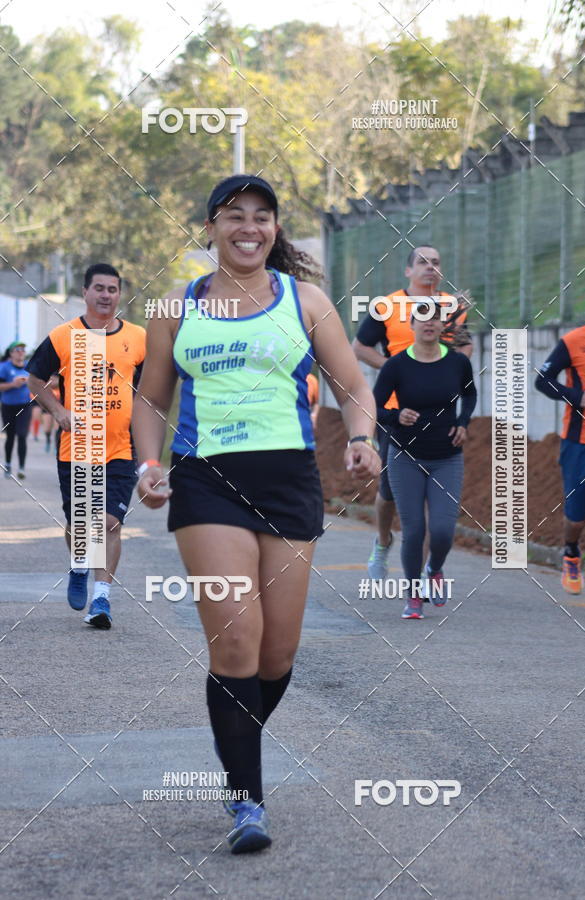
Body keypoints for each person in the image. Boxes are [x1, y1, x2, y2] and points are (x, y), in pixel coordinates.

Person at [132, 174, 380, 854]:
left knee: (277, 652)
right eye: (234, 215)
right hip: (207, 483)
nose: (249, 227)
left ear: (274, 228)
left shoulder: (306, 301)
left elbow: (354, 388)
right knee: (236, 642)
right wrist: (149, 464)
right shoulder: (175, 307)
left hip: (289, 481)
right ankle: (247, 798)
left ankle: (236, 740)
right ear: (210, 227)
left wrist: (361, 438)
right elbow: (151, 399)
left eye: (262, 216)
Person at [28, 263, 146, 627]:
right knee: (80, 523)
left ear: (119, 294)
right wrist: (58, 410)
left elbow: (150, 390)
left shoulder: (138, 338)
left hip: (121, 448)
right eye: (99, 288)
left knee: (109, 523)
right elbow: (34, 379)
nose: (106, 295)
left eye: (112, 289)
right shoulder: (63, 336)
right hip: (77, 448)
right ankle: (79, 564)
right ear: (85, 292)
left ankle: (101, 599)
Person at [352, 246, 472, 580]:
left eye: (436, 262)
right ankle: (382, 541)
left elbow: (464, 346)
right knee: (389, 491)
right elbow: (359, 347)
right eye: (422, 262)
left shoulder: (451, 306)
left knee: (432, 503)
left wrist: (450, 369)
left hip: (440, 413)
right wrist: (397, 369)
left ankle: (420, 577)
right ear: (408, 271)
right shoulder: (387, 305)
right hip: (395, 410)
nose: (430, 267)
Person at [373, 299, 477, 619]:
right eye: (422, 317)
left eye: (435, 318)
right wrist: (395, 416)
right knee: (414, 530)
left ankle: (434, 568)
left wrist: (463, 422)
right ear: (412, 325)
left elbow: (470, 393)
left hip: (447, 457)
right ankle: (413, 595)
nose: (429, 323)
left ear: (443, 325)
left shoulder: (457, 363)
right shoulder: (396, 365)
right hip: (406, 456)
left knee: (443, 530)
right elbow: (372, 406)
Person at [534, 285, 585, 594]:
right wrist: (578, 396)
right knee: (577, 516)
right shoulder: (573, 342)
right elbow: (543, 381)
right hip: (580, 441)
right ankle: (571, 552)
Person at [0, 340, 32, 480]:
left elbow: (40, 382)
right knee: (10, 436)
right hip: (8, 406)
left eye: (23, 350)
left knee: (22, 435)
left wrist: (30, 382)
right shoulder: (4, 367)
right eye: (18, 350)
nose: (21, 352)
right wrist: (13, 384)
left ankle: (21, 468)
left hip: (24, 405)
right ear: (11, 353)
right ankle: (8, 464)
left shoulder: (29, 366)